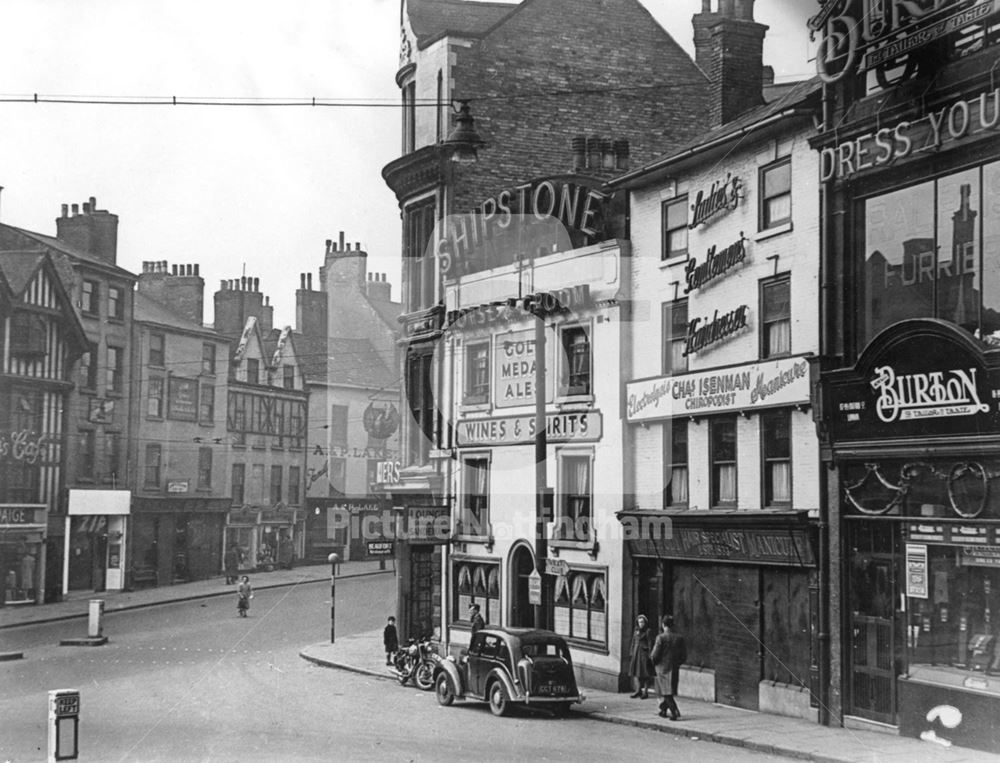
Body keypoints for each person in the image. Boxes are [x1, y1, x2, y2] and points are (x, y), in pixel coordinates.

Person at [650, 614, 687, 720]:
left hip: (662, 668)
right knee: (669, 690)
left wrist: (653, 662)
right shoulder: (679, 638)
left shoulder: (660, 637)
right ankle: (663, 710)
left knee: (666, 692)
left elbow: (655, 655)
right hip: (674, 667)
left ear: (663, 625)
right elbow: (684, 655)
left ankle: (675, 711)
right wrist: (677, 663)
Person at [627, 614, 654, 699]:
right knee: (636, 673)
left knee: (645, 673)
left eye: (642, 622)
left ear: (645, 623)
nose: (641, 624)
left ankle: (645, 692)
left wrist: (650, 654)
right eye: (639, 622)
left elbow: (650, 643)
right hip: (636, 653)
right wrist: (631, 652)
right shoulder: (636, 631)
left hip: (644, 654)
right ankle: (638, 690)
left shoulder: (648, 631)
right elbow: (633, 642)